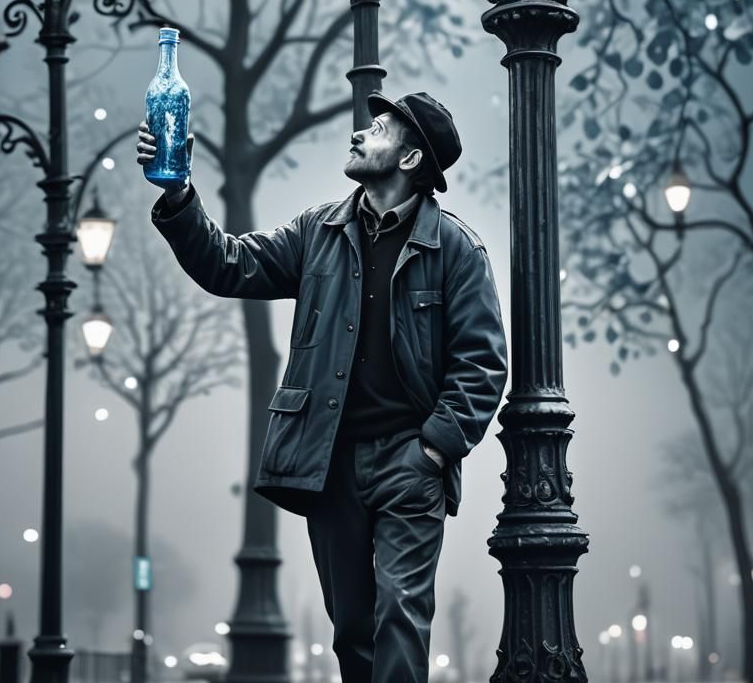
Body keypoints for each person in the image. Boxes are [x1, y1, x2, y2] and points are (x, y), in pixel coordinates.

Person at [137, 91, 507, 683]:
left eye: (379, 129)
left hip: (409, 466)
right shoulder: (319, 231)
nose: (360, 134)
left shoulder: (456, 249)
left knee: (401, 615)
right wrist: (178, 194)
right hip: (329, 464)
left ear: (410, 160)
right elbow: (227, 264)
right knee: (351, 630)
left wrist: (432, 449)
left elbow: (483, 365)